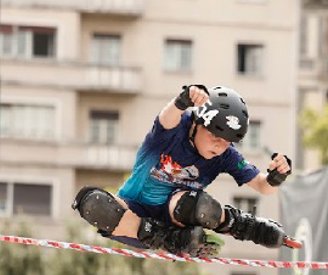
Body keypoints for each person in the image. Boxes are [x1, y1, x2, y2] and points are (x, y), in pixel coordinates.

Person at [72, 83, 292, 257]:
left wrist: (276, 176)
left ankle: (243, 226)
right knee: (91, 201)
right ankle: (168, 239)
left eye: (227, 141)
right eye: (214, 136)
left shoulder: (226, 155)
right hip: (132, 218)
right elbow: (167, 116)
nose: (219, 145)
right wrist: (184, 100)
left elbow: (263, 186)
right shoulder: (172, 131)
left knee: (202, 207)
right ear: (196, 123)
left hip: (176, 217)